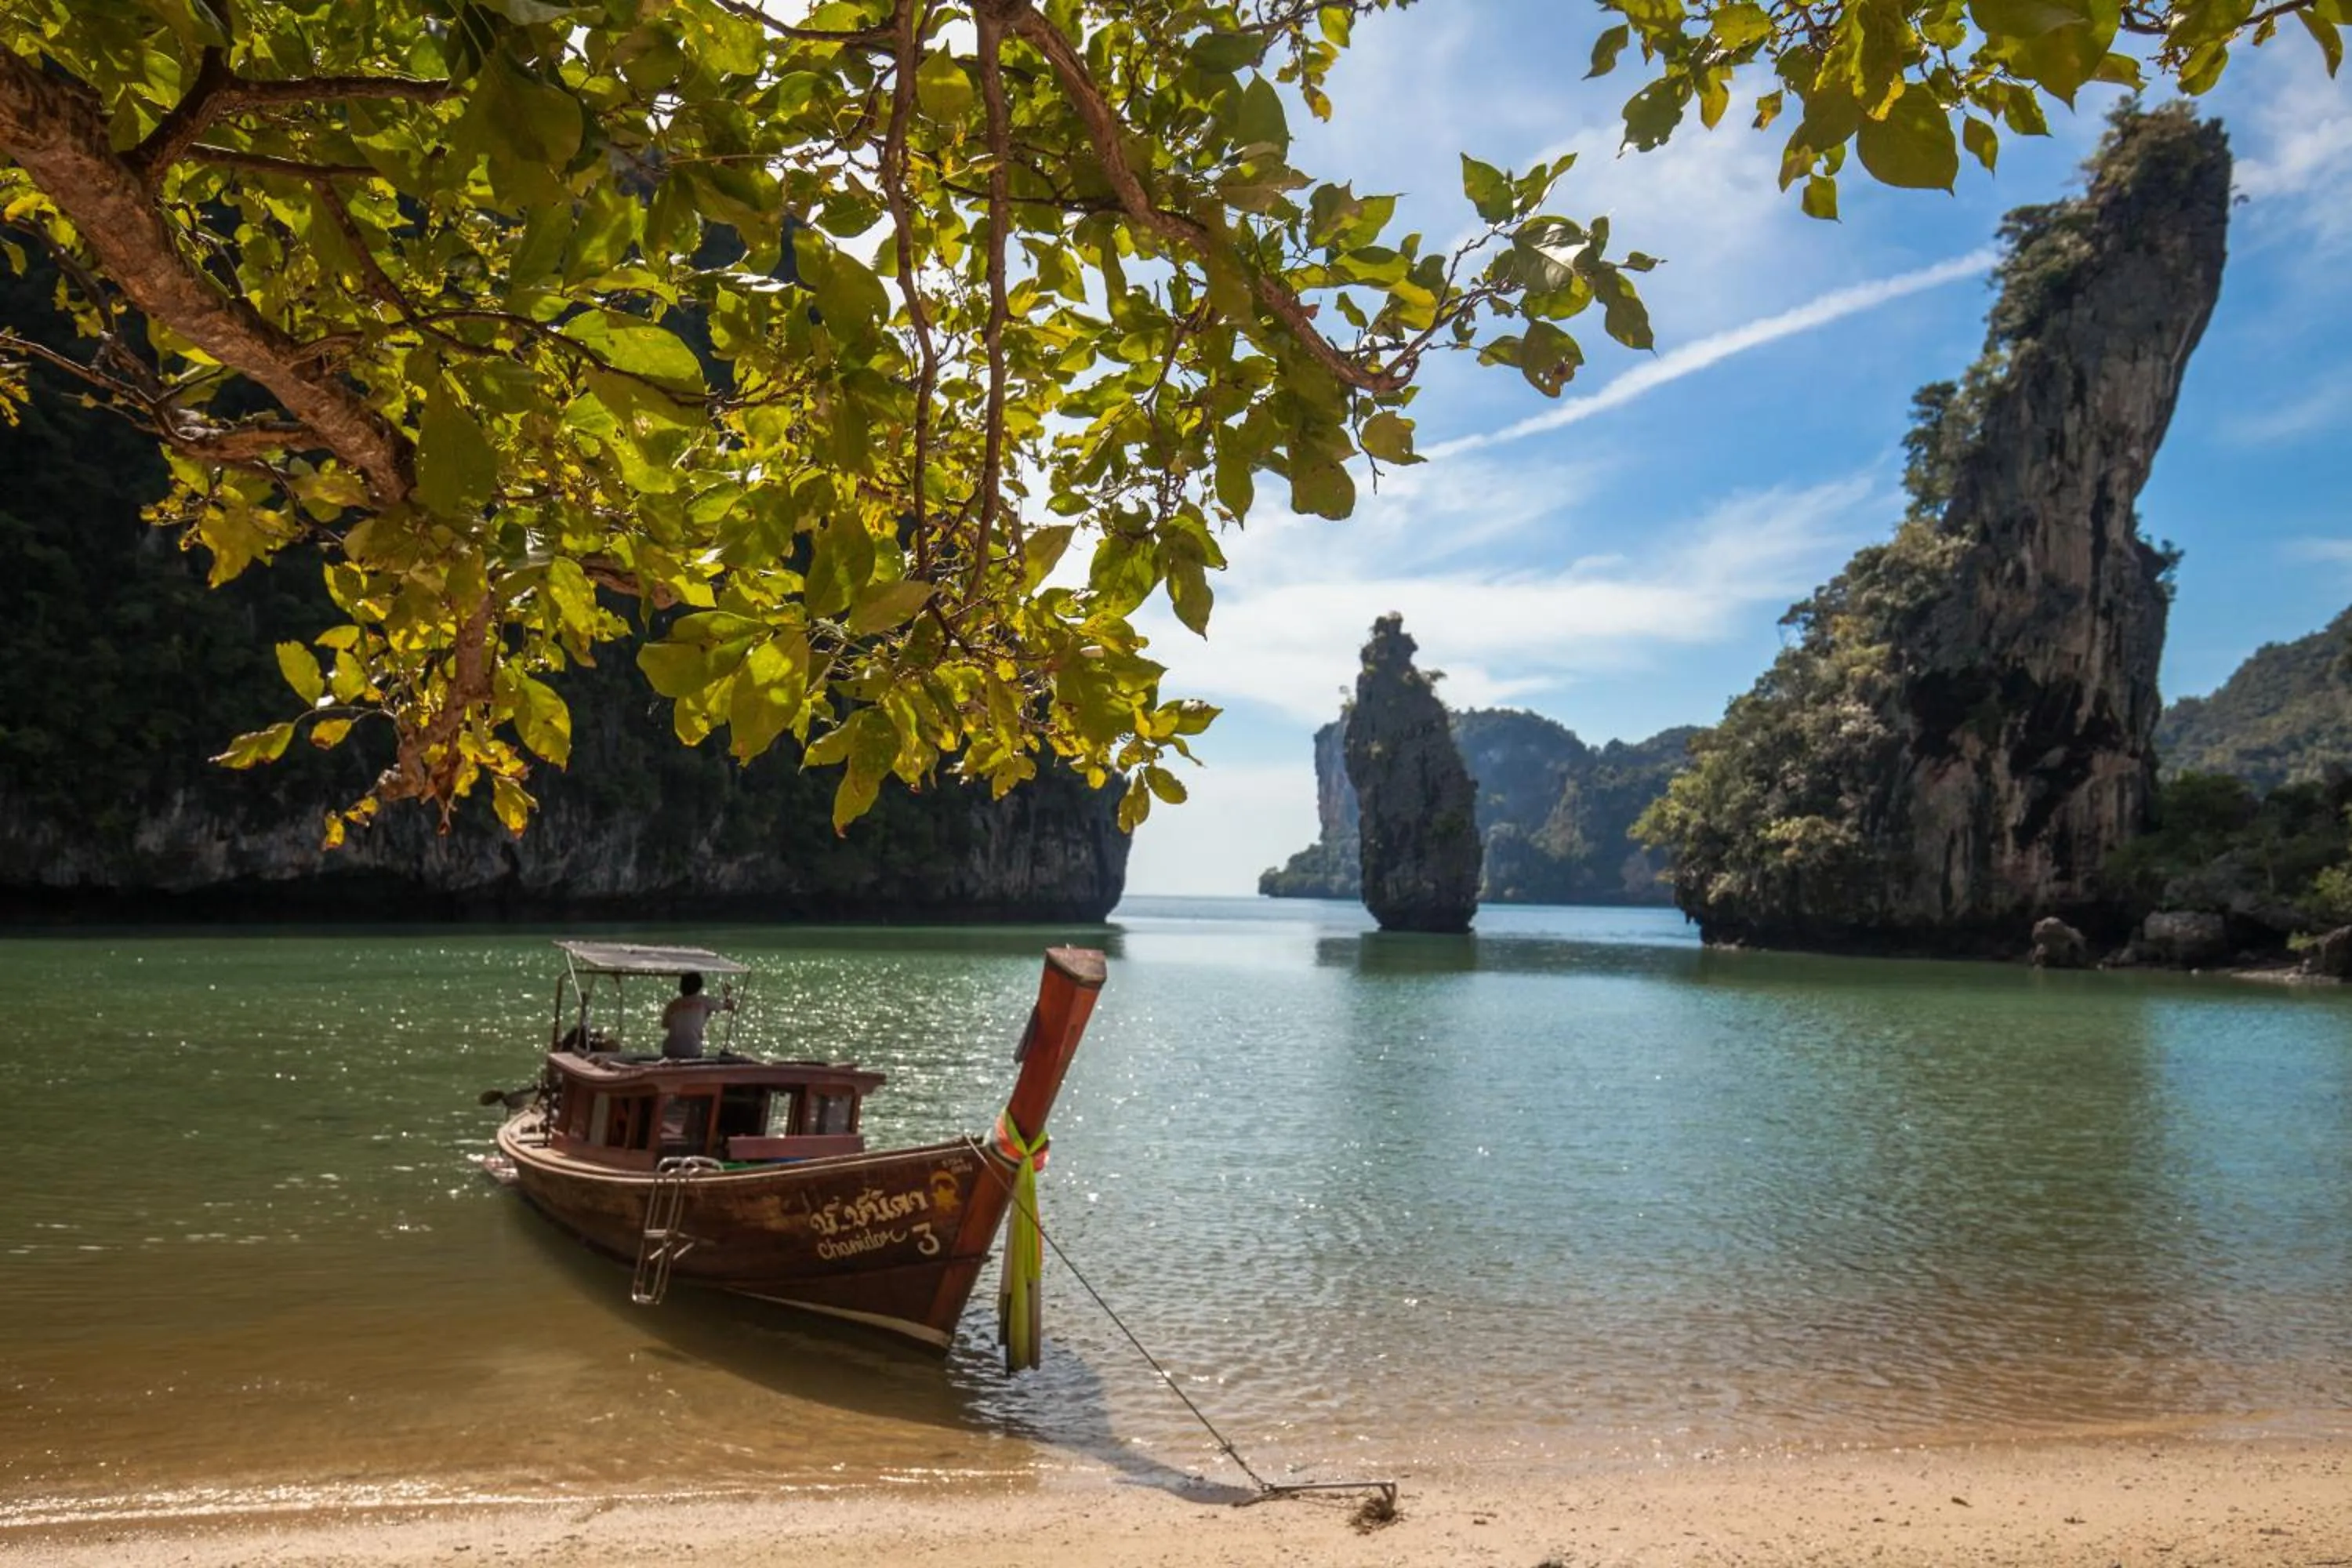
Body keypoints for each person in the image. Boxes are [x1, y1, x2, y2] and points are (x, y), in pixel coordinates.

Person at [661, 971, 733, 1059]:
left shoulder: (673, 1004)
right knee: (695, 1047)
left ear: (681, 987)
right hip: (692, 1050)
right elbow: (729, 1006)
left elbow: (664, 1025)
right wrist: (727, 995)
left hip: (671, 1049)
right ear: (699, 987)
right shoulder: (704, 1001)